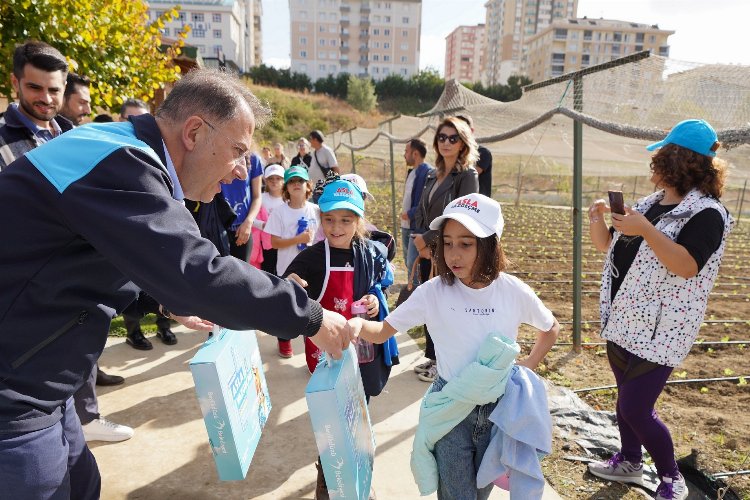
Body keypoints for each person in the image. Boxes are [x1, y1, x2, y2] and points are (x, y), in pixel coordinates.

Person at [0, 68, 352, 499]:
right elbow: (199, 271)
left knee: (82, 483)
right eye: (238, 151)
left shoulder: (123, 152)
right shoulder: (122, 164)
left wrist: (163, 301)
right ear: (194, 132)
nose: (242, 172)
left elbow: (102, 255)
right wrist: (312, 317)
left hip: (41, 380)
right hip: (13, 389)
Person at [349, 193, 559, 500]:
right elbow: (382, 331)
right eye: (447, 243)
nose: (454, 254)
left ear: (489, 244)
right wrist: (355, 325)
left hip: (497, 411)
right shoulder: (434, 292)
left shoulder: (512, 291)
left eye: (466, 243)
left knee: (478, 491)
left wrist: (528, 364)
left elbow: (550, 327)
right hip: (450, 410)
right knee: (456, 495)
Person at [586, 119, 732, 500]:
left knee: (636, 407)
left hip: (662, 328)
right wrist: (597, 220)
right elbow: (609, 247)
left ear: (678, 161)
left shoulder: (708, 214)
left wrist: (646, 231)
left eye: (661, 157)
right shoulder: (653, 204)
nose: (654, 165)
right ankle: (631, 461)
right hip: (624, 317)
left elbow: (686, 265)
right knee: (624, 401)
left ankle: (671, 478)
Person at [285, 178, 397, 499]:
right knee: (332, 421)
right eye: (329, 219)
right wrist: (288, 284)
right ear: (321, 218)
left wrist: (374, 303)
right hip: (327, 356)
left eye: (346, 220)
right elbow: (285, 287)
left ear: (358, 222)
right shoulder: (313, 258)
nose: (337, 228)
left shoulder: (368, 254)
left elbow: (376, 290)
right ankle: (329, 477)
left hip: (362, 353)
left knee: (360, 417)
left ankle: (359, 474)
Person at [411, 117, 480, 382]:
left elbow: (463, 216)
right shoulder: (432, 173)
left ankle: (445, 363)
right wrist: (420, 239)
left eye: (453, 138)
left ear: (463, 143)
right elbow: (422, 208)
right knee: (433, 303)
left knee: (449, 306)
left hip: (450, 249)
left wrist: (428, 239)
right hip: (429, 248)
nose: (446, 143)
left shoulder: (467, 175)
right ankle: (433, 357)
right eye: (442, 137)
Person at [118, 96, 175, 350]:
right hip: (126, 241)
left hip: (156, 238)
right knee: (129, 286)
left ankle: (164, 325)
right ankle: (134, 332)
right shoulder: (111, 160)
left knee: (163, 280)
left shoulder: (158, 158)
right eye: (131, 120)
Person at [263, 165, 321, 359]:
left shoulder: (317, 210)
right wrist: (298, 240)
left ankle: (312, 345)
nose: (296, 185)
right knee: (285, 306)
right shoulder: (279, 212)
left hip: (312, 269)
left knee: (312, 306)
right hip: (287, 268)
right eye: (292, 182)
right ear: (286, 188)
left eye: (300, 181)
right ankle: (284, 340)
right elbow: (274, 242)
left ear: (308, 186)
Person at [0, 40, 73, 171]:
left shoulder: (75, 134)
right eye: (35, 88)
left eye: (54, 90)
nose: (46, 99)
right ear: (15, 83)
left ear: (64, 87)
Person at [400, 138, 434, 285]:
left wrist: (411, 213)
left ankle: (414, 294)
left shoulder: (426, 172)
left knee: (414, 264)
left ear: (415, 153)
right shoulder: (412, 172)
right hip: (406, 225)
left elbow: (424, 200)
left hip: (415, 226)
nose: (404, 155)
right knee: (409, 263)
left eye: (406, 151)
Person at [257, 163, 286, 274]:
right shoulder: (261, 198)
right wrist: (263, 225)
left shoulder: (288, 199)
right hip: (265, 245)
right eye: (271, 178)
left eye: (278, 178)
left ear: (284, 180)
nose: (274, 181)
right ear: (265, 180)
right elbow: (252, 219)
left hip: (284, 243)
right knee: (267, 271)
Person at [456, 114, 493, 197]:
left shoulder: (483, 153)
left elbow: (467, 176)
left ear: (471, 130)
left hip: (476, 204)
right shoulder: (453, 153)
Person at [308, 130, 340, 195]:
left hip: (325, 189)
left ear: (315, 139)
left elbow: (335, 168)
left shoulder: (326, 150)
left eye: (310, 139)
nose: (309, 141)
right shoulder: (314, 152)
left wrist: (334, 185)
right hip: (315, 188)